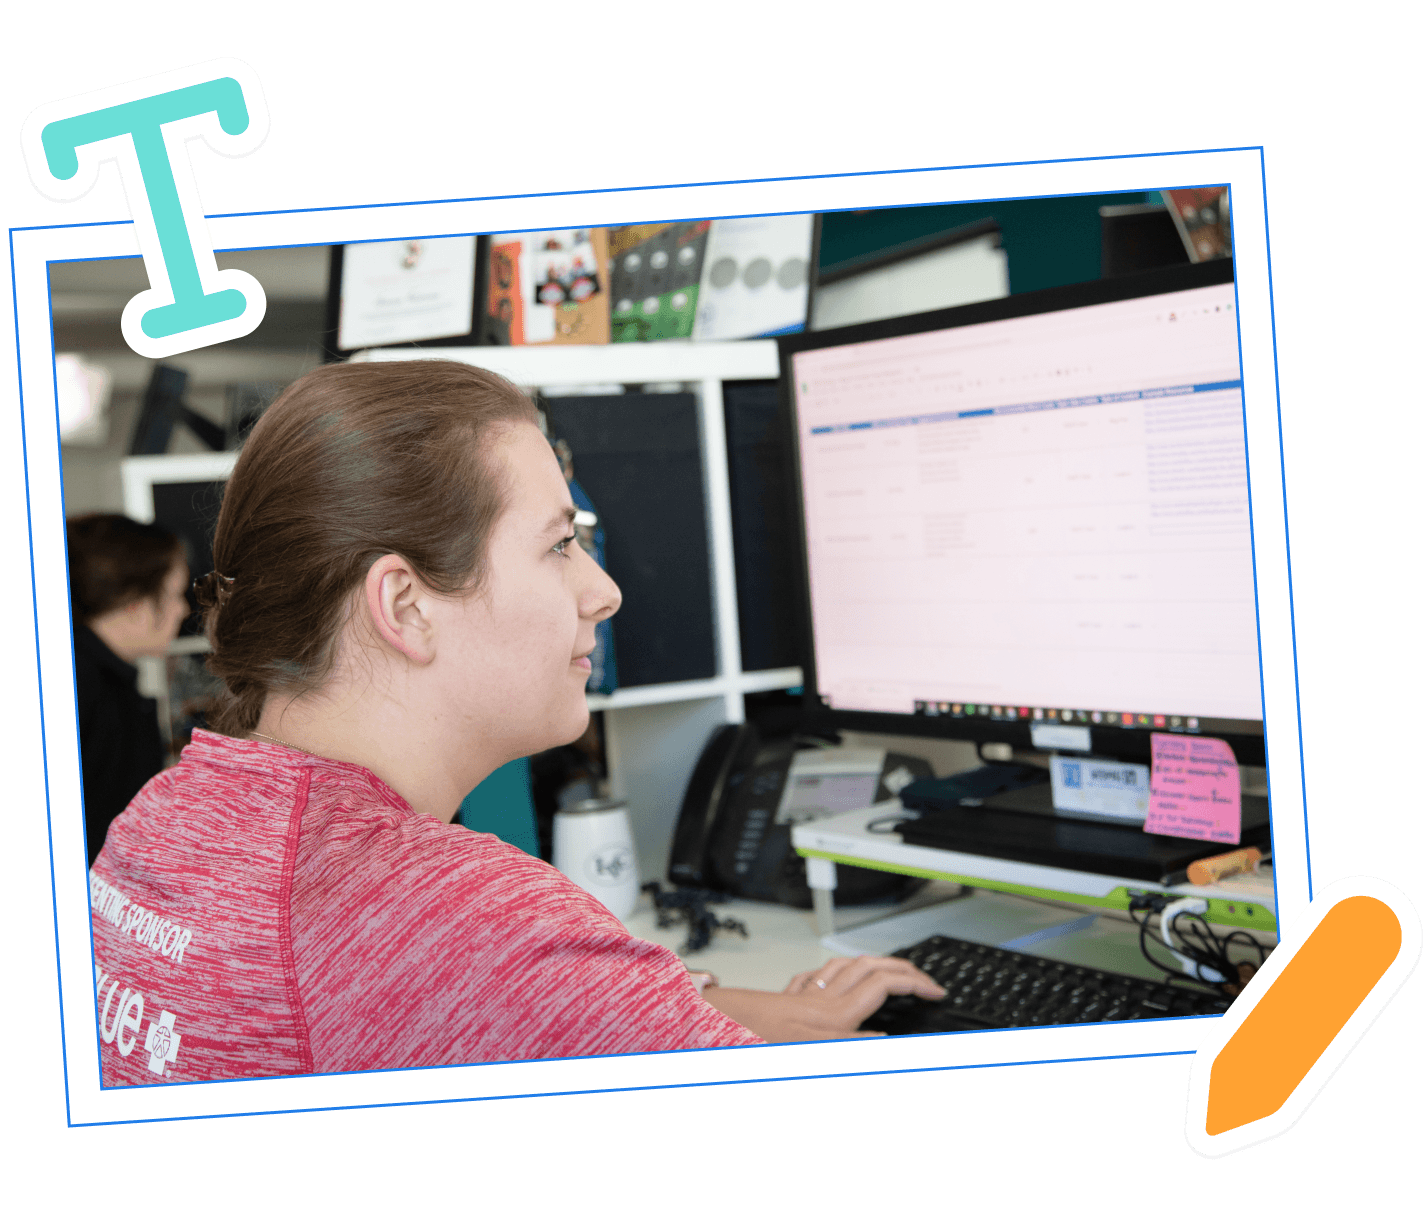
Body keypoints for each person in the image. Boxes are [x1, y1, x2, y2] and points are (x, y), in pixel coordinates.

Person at [88, 360, 944, 1085]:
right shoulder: (466, 919)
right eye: (560, 545)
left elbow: (410, 998)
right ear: (406, 604)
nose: (605, 591)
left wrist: (675, 1003)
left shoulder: (160, 820)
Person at [67, 514, 189, 865]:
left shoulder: (100, 678)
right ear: (134, 603)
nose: (182, 610)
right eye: (174, 595)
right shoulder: (82, 690)